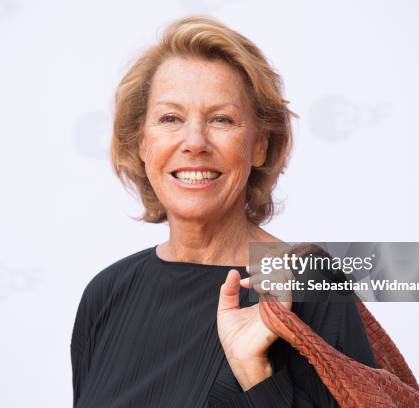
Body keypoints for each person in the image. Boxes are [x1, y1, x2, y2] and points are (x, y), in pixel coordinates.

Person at [70, 16, 376, 407]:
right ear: (142, 143)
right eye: (170, 118)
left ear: (260, 145)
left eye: (221, 119)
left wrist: (256, 375)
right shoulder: (107, 293)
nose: (194, 142)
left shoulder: (306, 282)